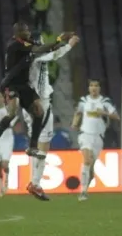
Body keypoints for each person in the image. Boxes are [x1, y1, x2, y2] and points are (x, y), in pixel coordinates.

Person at [0, 22, 70, 200]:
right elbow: (48, 51)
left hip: (26, 90)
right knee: (15, 115)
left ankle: (31, 151)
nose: (29, 33)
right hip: (17, 87)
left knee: (38, 118)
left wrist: (57, 42)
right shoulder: (21, 48)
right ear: (19, 33)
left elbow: (44, 48)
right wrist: (64, 42)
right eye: (26, 31)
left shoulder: (28, 48)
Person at [21, 33, 80, 198]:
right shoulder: (36, 58)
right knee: (44, 144)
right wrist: (69, 44)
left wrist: (59, 40)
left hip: (28, 103)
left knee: (38, 143)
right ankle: (35, 183)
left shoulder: (20, 59)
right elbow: (54, 54)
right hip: (40, 103)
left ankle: (34, 182)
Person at [71, 79, 120, 201]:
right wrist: (74, 123)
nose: (94, 88)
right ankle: (83, 192)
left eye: (96, 86)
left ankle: (86, 185)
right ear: (88, 88)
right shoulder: (84, 100)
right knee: (87, 160)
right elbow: (78, 113)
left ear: (99, 88)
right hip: (85, 134)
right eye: (91, 85)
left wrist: (104, 113)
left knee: (90, 167)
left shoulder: (105, 101)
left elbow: (116, 116)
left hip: (98, 137)